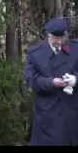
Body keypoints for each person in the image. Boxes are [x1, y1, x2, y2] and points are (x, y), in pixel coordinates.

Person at [24, 17, 78, 145]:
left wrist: (75, 80)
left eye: (62, 38)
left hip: (72, 113)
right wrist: (51, 82)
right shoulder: (35, 54)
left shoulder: (76, 49)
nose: (59, 42)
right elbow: (31, 79)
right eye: (55, 38)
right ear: (48, 35)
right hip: (48, 116)